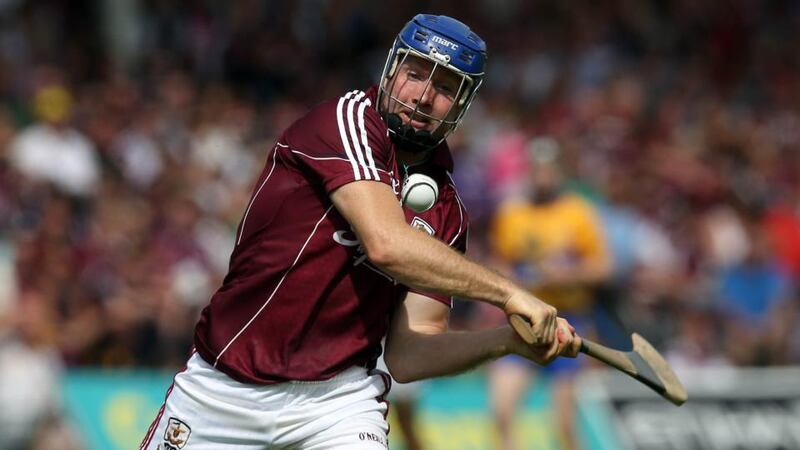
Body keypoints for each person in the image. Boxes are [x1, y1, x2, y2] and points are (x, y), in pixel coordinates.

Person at [141, 14, 581, 450]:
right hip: (227, 388)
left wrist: (507, 341)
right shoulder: (345, 122)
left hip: (338, 402)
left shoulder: (447, 210)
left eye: (447, 88)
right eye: (415, 74)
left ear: (464, 104)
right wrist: (509, 294)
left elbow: (409, 357)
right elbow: (386, 244)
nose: (425, 96)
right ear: (390, 69)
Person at [488, 137, 611, 450]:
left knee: (564, 424)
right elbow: (499, 262)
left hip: (568, 321)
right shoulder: (512, 213)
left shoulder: (578, 211)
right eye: (537, 168)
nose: (542, 174)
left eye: (548, 168)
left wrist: (564, 275)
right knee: (501, 412)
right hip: (524, 322)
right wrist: (514, 280)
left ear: (558, 170)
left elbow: (602, 267)